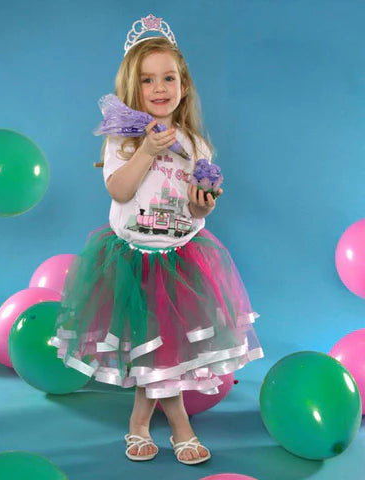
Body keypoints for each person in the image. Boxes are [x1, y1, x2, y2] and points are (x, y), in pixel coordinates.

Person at [51, 13, 263, 465]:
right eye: (148, 80)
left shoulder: (194, 145)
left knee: (159, 351)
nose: (160, 87)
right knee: (157, 350)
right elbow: (120, 190)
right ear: (134, 89)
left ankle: (139, 424)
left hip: (181, 262)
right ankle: (180, 426)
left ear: (183, 84)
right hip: (133, 262)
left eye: (169, 78)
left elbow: (194, 210)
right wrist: (147, 150)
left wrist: (203, 205)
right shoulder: (123, 140)